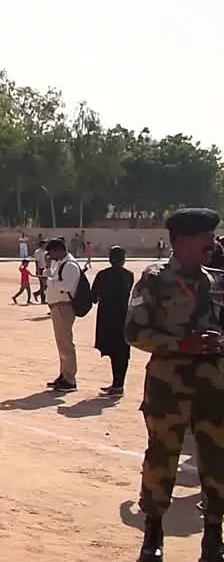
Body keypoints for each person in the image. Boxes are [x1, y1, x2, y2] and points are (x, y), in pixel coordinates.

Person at [127, 208, 224, 561]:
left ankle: (214, 535)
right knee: (162, 456)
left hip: (214, 387)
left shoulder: (217, 281)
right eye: (205, 238)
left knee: (217, 459)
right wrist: (183, 345)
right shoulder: (153, 280)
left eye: (212, 237)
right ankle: (153, 533)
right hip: (168, 388)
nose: (211, 245)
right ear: (180, 240)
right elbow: (134, 332)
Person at [89, 245, 135, 397]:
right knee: (122, 351)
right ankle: (118, 383)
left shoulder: (103, 275)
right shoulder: (129, 275)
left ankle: (117, 386)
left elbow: (94, 297)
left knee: (114, 352)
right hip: (123, 317)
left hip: (107, 317)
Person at [44, 237, 82, 392]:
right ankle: (64, 374)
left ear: (59, 250)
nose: (49, 256)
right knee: (61, 344)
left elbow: (67, 285)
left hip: (64, 307)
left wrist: (52, 281)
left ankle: (70, 378)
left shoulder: (70, 265)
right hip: (57, 306)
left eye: (51, 252)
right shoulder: (59, 263)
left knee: (66, 343)